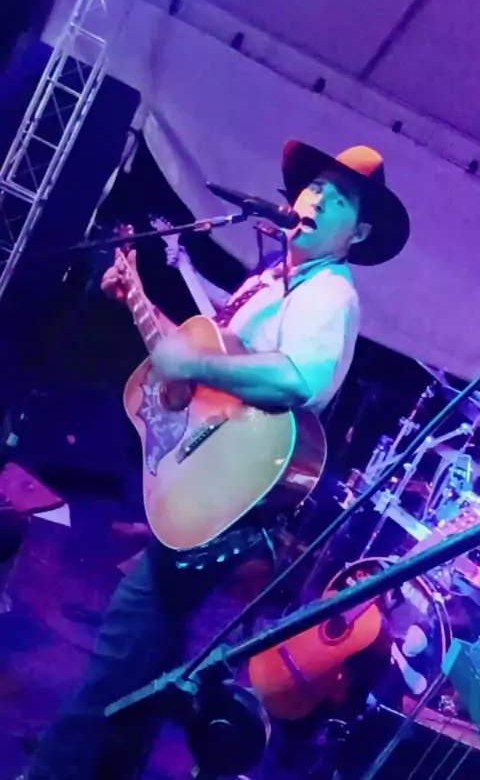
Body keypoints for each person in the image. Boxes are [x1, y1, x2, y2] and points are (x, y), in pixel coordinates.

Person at [20, 140, 409, 780]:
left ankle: (56, 768)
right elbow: (209, 371)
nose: (314, 199)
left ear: (358, 233)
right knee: (142, 662)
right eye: (313, 187)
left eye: (337, 198)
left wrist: (194, 362)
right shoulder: (273, 283)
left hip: (231, 497)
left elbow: (296, 378)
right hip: (210, 482)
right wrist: (140, 301)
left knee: (123, 650)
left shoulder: (331, 294)